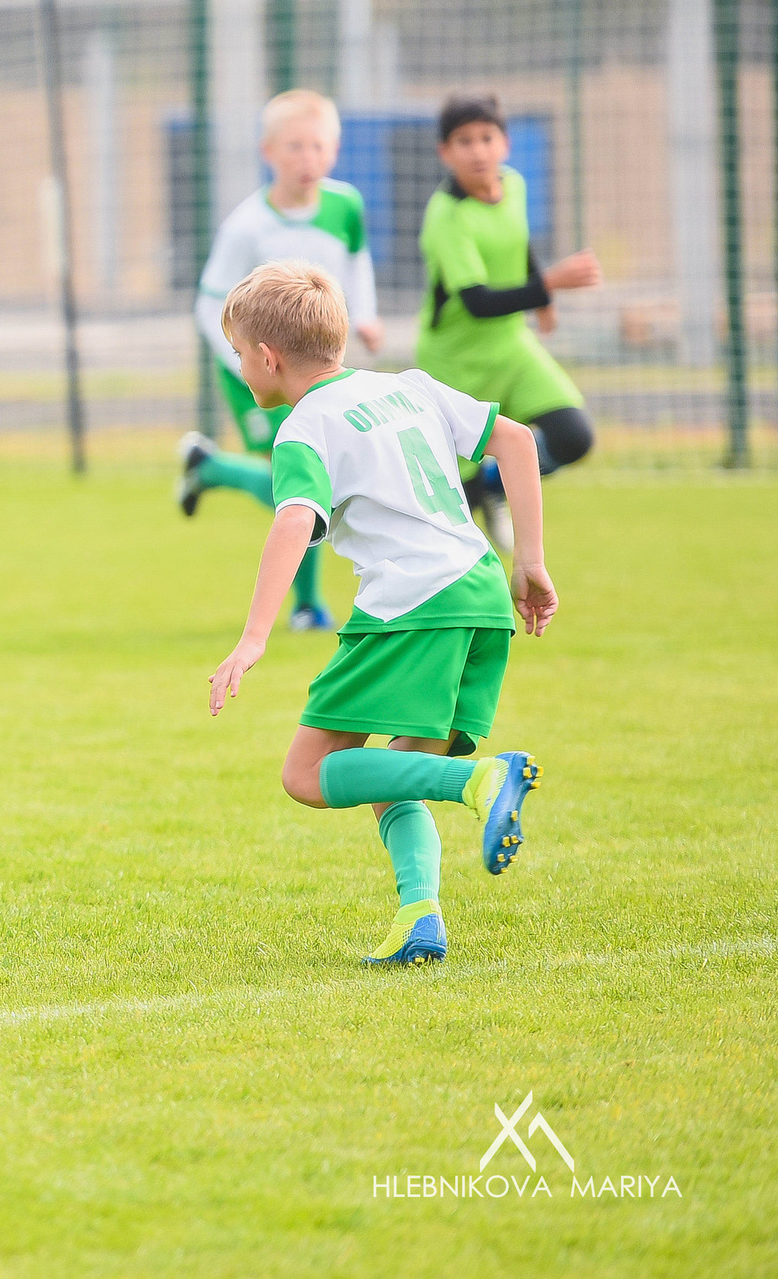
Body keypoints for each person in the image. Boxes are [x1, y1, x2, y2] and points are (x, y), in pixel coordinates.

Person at [204, 260, 553, 967]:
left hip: (412, 604)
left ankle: (479, 780)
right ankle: (420, 918)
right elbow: (517, 439)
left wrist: (253, 636)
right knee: (394, 774)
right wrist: (530, 561)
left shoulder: (304, 427)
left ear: (268, 357)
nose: (239, 367)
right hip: (480, 592)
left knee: (308, 773)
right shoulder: (407, 386)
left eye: (238, 354)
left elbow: (293, 518)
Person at [177, 89, 382, 633]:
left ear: (334, 150)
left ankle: (209, 468)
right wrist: (248, 364)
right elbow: (208, 305)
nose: (307, 158)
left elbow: (357, 263)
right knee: (298, 482)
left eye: (319, 146)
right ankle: (307, 605)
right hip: (255, 373)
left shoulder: (346, 205)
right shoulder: (247, 226)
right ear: (268, 151)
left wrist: (364, 316)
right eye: (295, 146)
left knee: (298, 480)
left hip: (311, 369)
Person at [417, 93, 601, 553]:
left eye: (487, 138)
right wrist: (549, 284)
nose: (477, 151)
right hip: (455, 363)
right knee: (451, 514)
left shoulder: (513, 185)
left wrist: (542, 298)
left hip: (512, 348)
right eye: (464, 141)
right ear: (445, 152)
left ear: (505, 144)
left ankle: (492, 485)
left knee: (573, 438)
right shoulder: (447, 215)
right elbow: (477, 302)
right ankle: (472, 497)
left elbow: (518, 241)